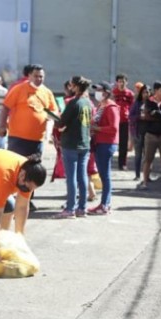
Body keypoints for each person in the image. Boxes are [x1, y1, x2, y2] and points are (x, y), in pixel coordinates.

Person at [0, 64, 57, 211]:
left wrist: (53, 125)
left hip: (37, 139)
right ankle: (8, 201)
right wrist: (1, 126)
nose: (39, 79)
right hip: (17, 137)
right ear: (29, 76)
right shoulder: (19, 89)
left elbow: (54, 111)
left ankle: (27, 201)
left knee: (33, 170)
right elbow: (5, 107)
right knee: (15, 169)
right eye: (36, 76)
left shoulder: (47, 92)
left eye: (41, 76)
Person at [53, 76, 93, 219]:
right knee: (82, 176)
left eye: (71, 85)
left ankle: (70, 208)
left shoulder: (73, 103)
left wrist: (55, 118)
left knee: (71, 177)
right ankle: (82, 208)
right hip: (84, 144)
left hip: (70, 144)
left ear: (75, 86)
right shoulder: (88, 102)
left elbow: (61, 123)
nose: (70, 87)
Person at [89, 82, 120, 214]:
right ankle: (104, 204)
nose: (97, 93)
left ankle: (104, 205)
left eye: (100, 90)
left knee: (105, 175)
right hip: (100, 143)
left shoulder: (111, 107)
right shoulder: (101, 105)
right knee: (103, 175)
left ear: (107, 92)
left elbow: (114, 128)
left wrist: (97, 128)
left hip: (106, 144)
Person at [139, 81, 161, 190]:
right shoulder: (149, 102)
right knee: (148, 159)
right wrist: (156, 114)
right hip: (150, 135)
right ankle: (144, 182)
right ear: (156, 91)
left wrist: (157, 114)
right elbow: (147, 115)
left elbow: (155, 114)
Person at [129, 85, 151, 181]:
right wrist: (139, 117)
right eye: (144, 92)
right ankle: (137, 174)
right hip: (138, 133)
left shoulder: (152, 104)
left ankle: (147, 176)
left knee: (148, 156)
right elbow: (130, 116)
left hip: (149, 134)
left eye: (148, 92)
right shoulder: (136, 104)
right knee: (138, 155)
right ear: (141, 93)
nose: (146, 94)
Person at [112, 74, 134, 170]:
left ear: (126, 82)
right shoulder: (113, 93)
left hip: (125, 121)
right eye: (120, 81)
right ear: (117, 82)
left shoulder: (130, 94)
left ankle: (122, 164)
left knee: (123, 143)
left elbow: (132, 107)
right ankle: (111, 163)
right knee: (112, 142)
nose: (121, 83)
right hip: (114, 120)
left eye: (123, 82)